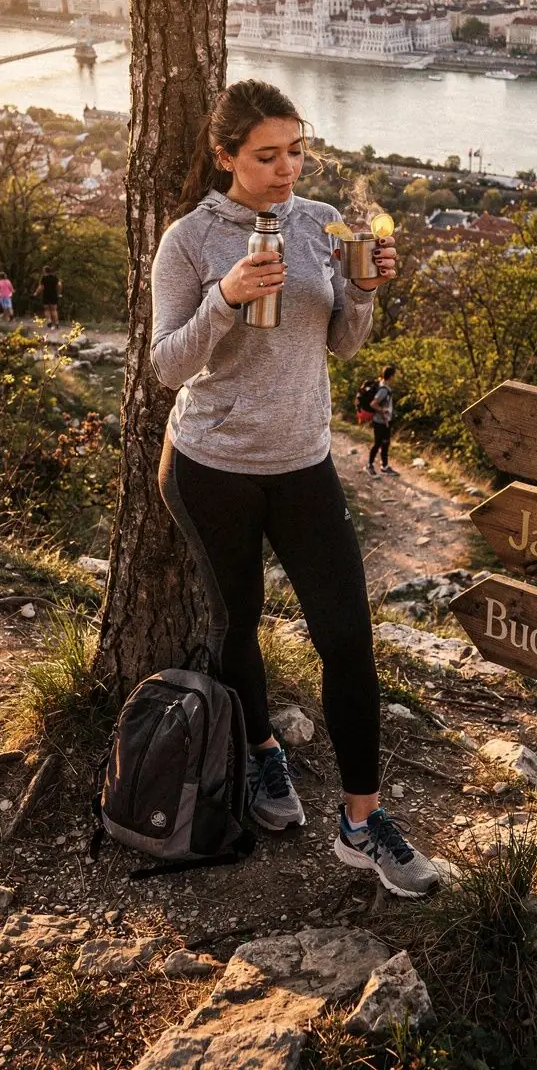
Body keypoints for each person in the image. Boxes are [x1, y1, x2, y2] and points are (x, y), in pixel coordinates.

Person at [151, 79, 439, 898]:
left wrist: (367, 293)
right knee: (236, 622)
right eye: (267, 156)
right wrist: (226, 298)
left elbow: (346, 344)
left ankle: (360, 822)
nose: (286, 170)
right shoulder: (191, 239)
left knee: (347, 637)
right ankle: (263, 755)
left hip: (304, 462)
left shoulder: (318, 223)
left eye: (296, 151)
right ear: (226, 157)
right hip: (212, 466)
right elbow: (166, 364)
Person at [367, 365, 398, 477]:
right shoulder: (384, 390)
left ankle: (384, 466)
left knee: (385, 443)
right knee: (378, 444)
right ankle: (369, 465)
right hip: (380, 422)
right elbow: (373, 404)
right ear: (391, 376)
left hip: (384, 421)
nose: (396, 377)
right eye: (395, 375)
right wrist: (383, 411)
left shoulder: (384, 385)